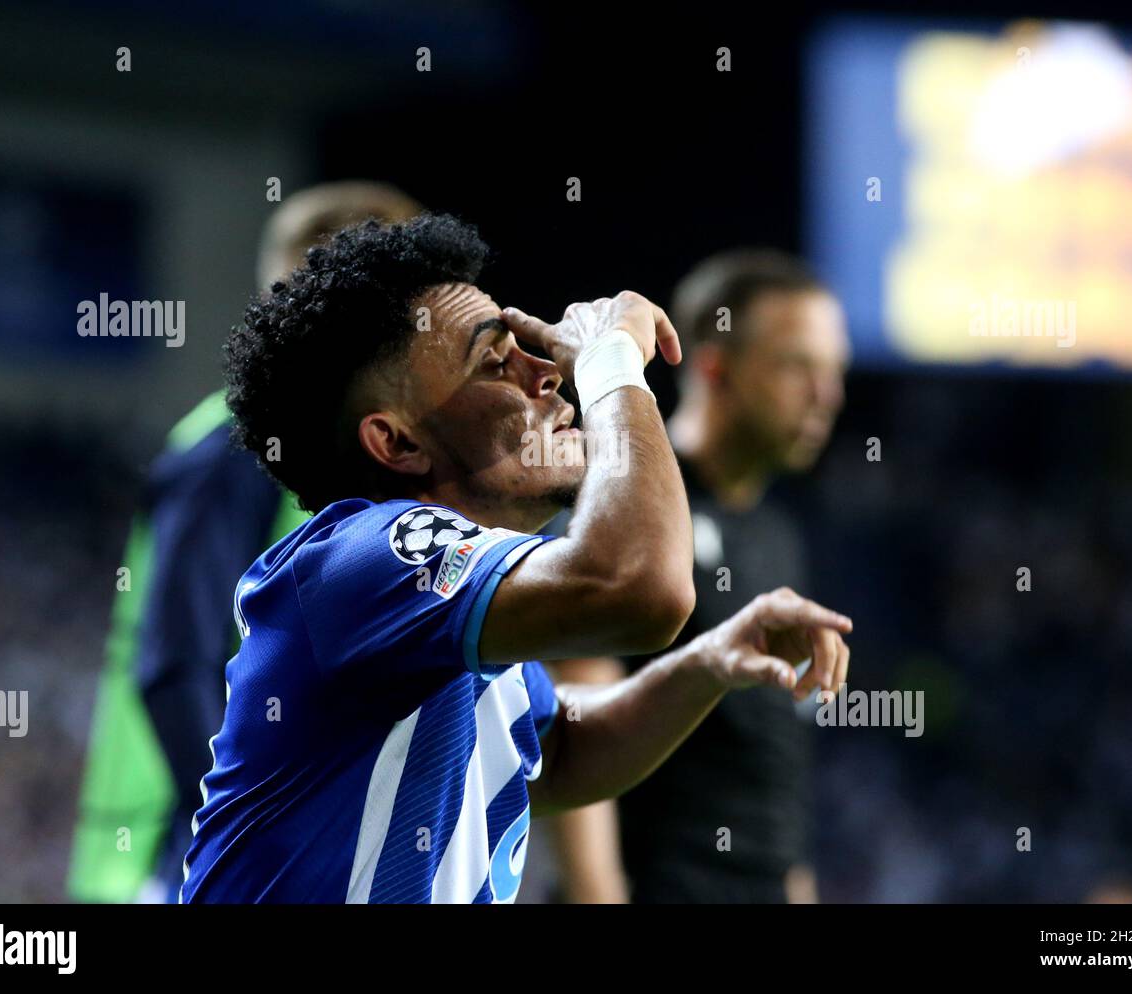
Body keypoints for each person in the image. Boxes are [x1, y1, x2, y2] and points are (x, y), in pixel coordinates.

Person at [180, 214, 852, 903]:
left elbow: (559, 754)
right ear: (398, 443)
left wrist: (706, 664)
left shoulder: (454, 595)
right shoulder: (367, 554)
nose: (548, 374)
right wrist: (612, 363)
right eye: (496, 362)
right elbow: (637, 587)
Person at [66, 181, 421, 904]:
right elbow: (174, 665)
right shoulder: (232, 446)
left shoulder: (357, 452)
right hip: (189, 864)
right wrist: (253, 831)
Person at [612, 248, 852, 903]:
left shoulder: (778, 537)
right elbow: (568, 712)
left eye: (834, 371)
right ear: (715, 365)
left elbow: (774, 759)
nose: (826, 396)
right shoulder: (627, 499)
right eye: (797, 365)